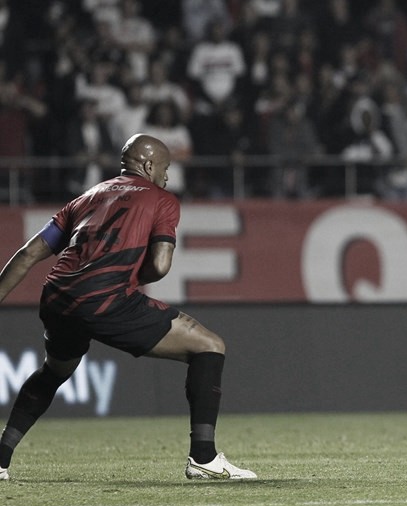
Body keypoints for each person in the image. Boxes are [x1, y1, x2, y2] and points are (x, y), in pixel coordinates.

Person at [0, 134, 256, 481]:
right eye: (165, 168)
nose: (166, 176)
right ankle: (204, 458)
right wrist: (135, 274)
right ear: (148, 165)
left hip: (58, 297)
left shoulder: (86, 198)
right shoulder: (162, 200)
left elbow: (30, 253)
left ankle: (1, 459)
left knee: (54, 372)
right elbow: (161, 265)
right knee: (210, 346)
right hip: (105, 299)